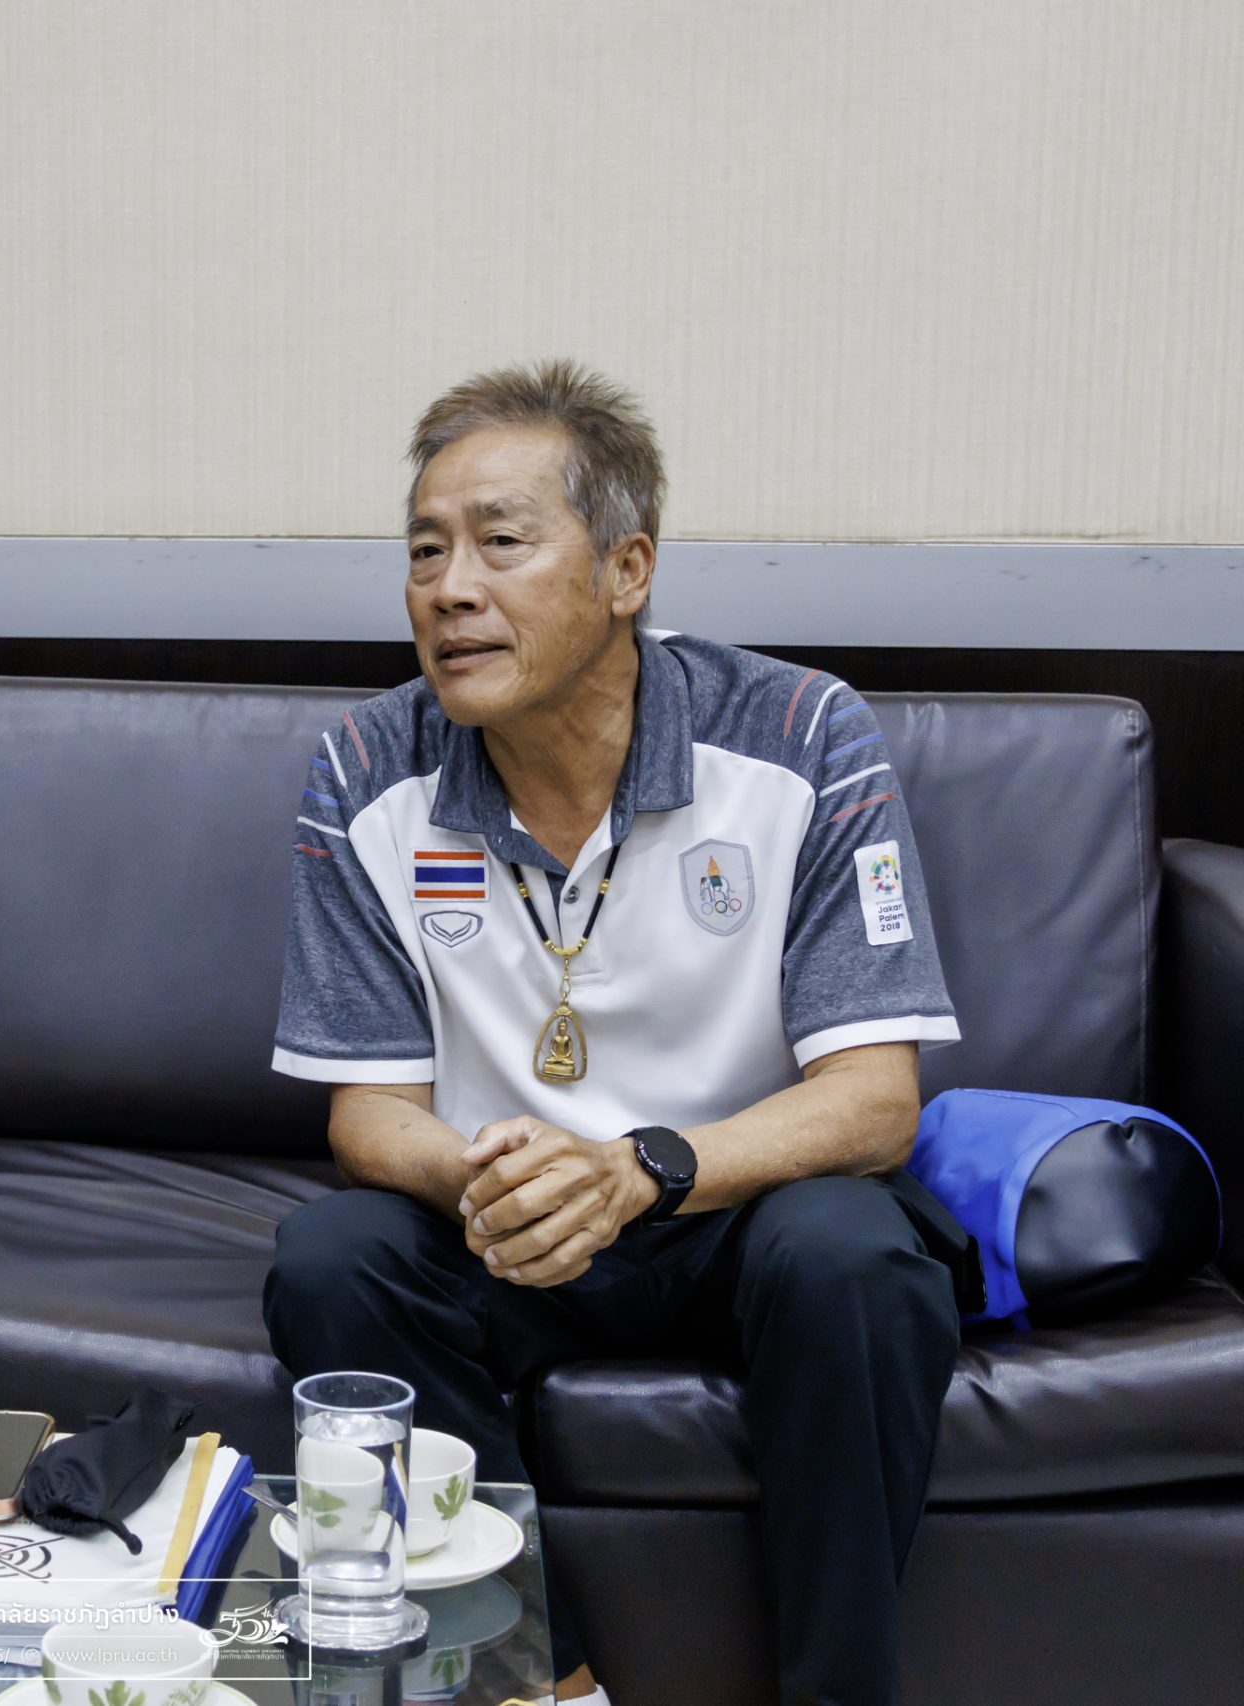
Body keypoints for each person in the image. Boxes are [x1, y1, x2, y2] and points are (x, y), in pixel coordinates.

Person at [262, 360, 965, 1706]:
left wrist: (641, 1168)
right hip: (505, 1221)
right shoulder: (365, 770)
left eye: (501, 542)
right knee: (333, 1259)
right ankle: (540, 1678)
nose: (450, 588)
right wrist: (492, 1178)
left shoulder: (803, 736)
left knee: (855, 1257)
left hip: (732, 1204)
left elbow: (876, 1100)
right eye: (425, 550)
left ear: (627, 569)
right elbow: (368, 1116)